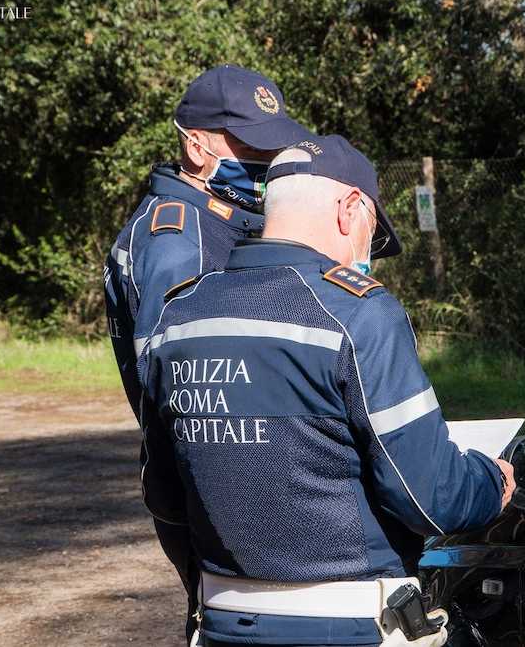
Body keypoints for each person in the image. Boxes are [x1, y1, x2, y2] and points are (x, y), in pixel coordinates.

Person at [137, 135, 517, 646]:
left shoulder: (177, 317)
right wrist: (492, 481)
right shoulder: (359, 313)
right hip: (354, 624)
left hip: (222, 624)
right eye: (370, 235)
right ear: (350, 208)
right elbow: (431, 500)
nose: (367, 254)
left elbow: (163, 495)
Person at [104, 64, 312, 641]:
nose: (266, 159)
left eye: (272, 144)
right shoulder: (179, 238)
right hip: (212, 487)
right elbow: (186, 384)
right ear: (196, 148)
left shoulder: (221, 221)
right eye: (247, 144)